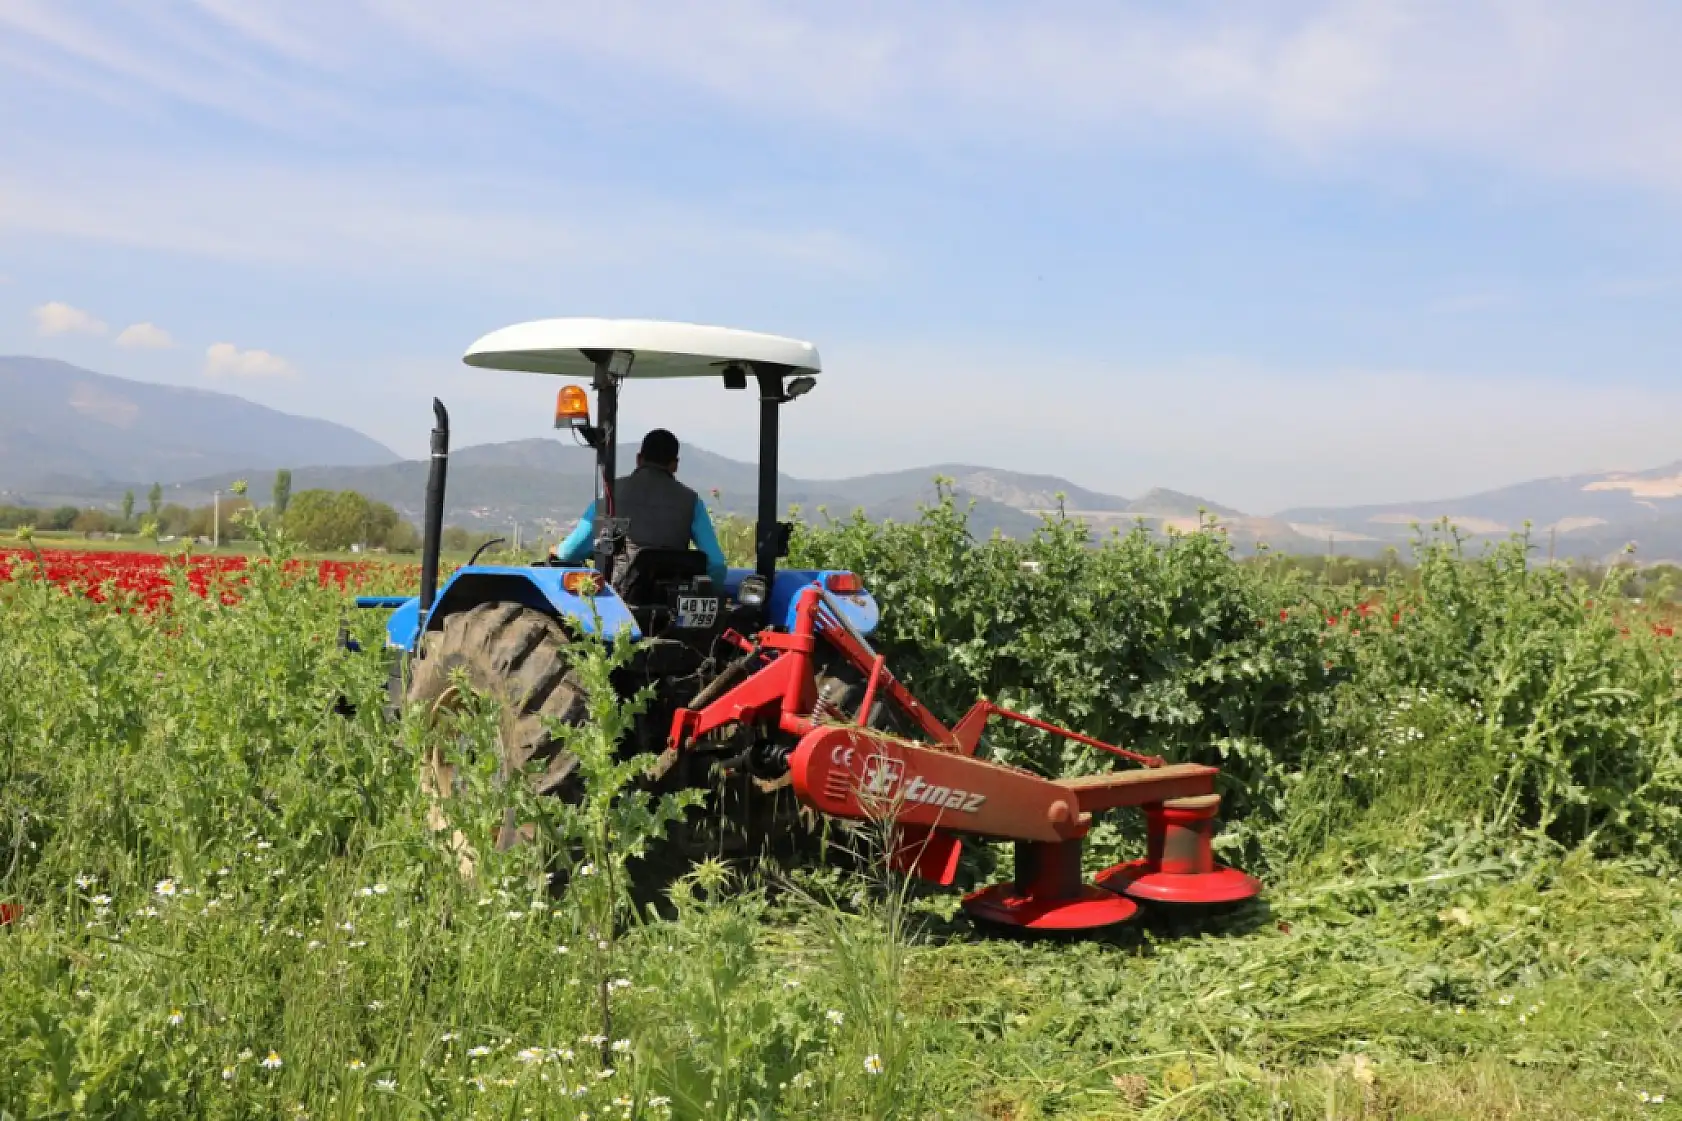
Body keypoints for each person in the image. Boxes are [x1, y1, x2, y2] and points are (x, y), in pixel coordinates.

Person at [552, 428, 728, 587]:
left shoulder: (613, 495)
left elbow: (570, 552)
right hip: (674, 601)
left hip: (622, 600)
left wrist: (557, 551)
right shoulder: (691, 501)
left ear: (639, 459)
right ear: (674, 465)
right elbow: (717, 564)